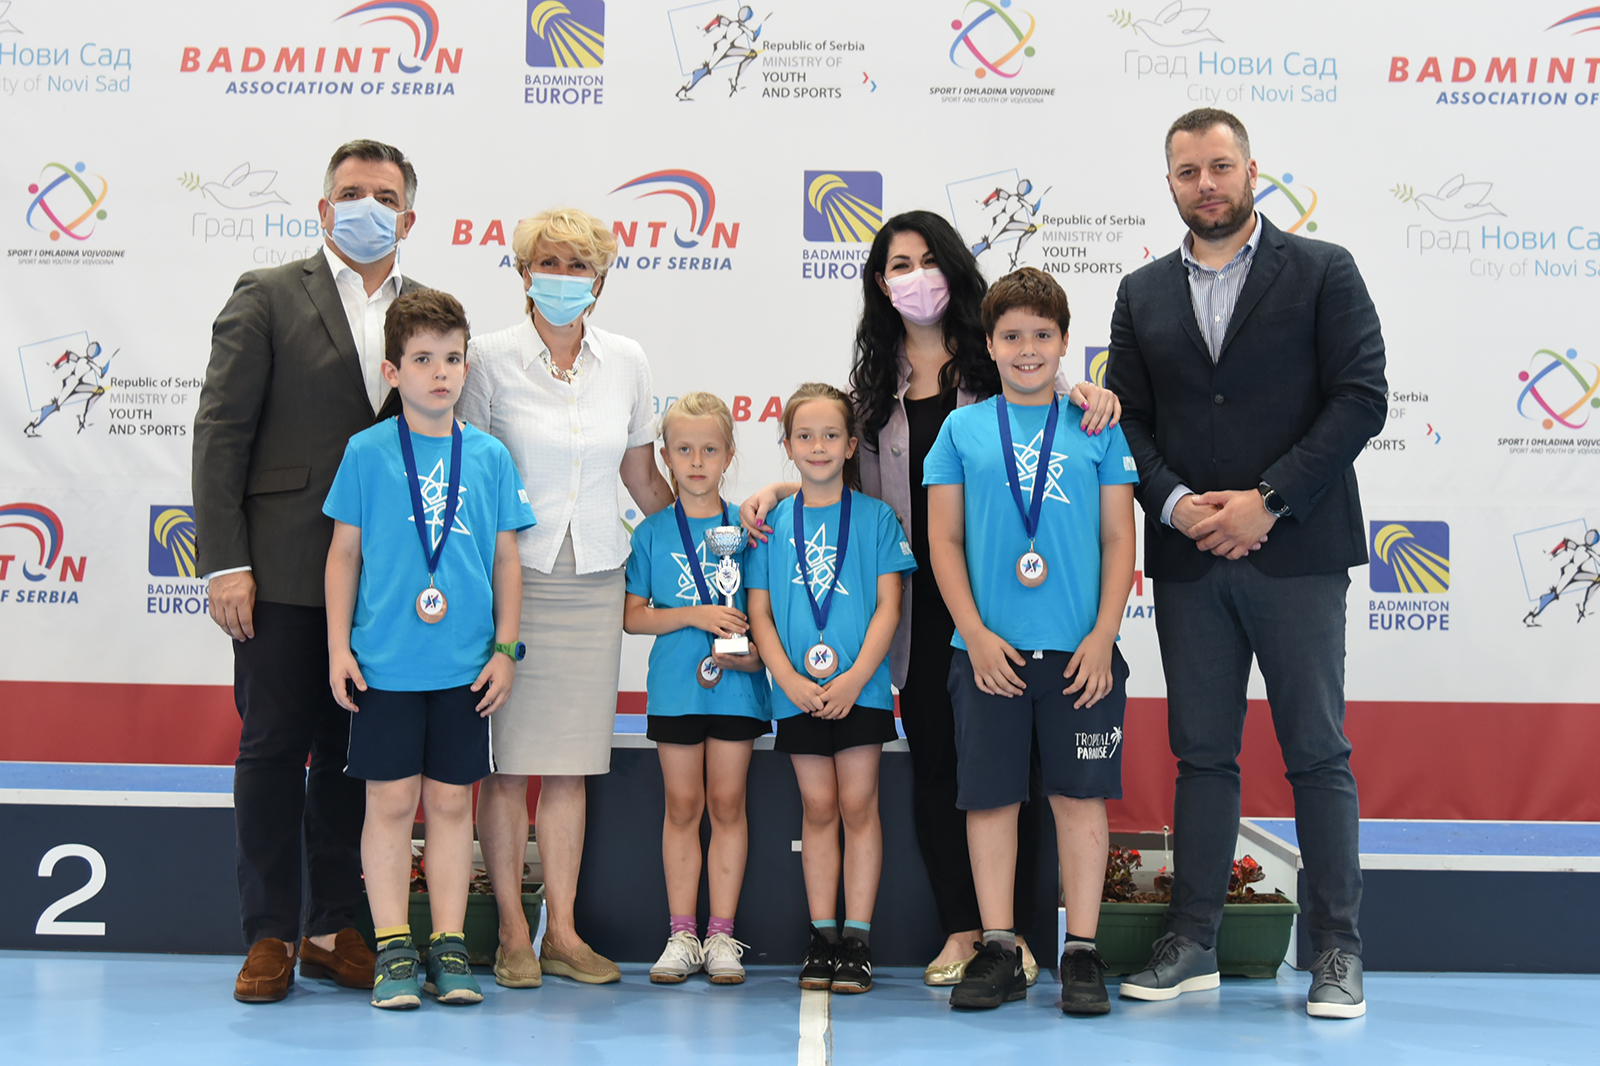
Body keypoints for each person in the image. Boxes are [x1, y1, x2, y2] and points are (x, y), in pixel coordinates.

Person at [740, 210, 1120, 985]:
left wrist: (1090, 390)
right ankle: (964, 929)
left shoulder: (1001, 367)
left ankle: (1023, 937)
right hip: (921, 608)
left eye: (928, 260)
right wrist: (782, 489)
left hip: (1008, 604)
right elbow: (839, 476)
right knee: (946, 768)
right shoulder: (873, 392)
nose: (917, 278)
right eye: (898, 265)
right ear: (881, 285)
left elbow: (1059, 422)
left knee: (1029, 775)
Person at [1106, 108, 1386, 1019]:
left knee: (1318, 753)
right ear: (1170, 183)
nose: (1207, 185)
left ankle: (1336, 951)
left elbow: (1361, 398)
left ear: (1252, 170)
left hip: (1297, 551)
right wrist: (1176, 503)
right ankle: (1192, 942)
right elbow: (1126, 420)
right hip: (1190, 560)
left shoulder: (1324, 270)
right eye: (1188, 172)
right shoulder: (1142, 292)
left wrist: (1269, 499)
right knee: (1201, 757)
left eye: (1220, 167)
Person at [193, 139, 422, 1003]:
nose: (368, 206)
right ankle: (267, 934)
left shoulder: (424, 313)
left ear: (409, 217)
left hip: (386, 578)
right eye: (352, 192)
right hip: (283, 566)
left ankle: (331, 927)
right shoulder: (267, 294)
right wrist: (225, 561)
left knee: (348, 755)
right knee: (272, 747)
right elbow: (220, 432)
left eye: (385, 196)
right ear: (324, 209)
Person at [458, 207, 675, 989]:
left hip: (597, 580)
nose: (561, 276)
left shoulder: (627, 360)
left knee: (572, 767)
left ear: (600, 278)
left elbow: (642, 478)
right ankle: (513, 933)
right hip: (511, 582)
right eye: (547, 262)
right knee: (507, 767)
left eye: (577, 264)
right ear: (523, 273)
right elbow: (471, 475)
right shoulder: (487, 358)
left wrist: (703, 539)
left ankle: (565, 933)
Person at [926, 267, 1139, 1015]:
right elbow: (944, 542)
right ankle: (998, 948)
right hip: (989, 655)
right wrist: (975, 634)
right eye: (1011, 335)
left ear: (1064, 342)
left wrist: (1104, 635)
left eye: (1042, 335)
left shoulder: (1095, 425)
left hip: (1081, 655)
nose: (1027, 349)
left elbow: (1119, 538)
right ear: (988, 344)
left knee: (1080, 800)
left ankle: (1081, 951)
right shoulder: (961, 430)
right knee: (990, 801)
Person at [323, 290, 536, 1008]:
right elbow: (343, 555)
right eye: (421, 359)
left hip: (465, 668)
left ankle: (447, 945)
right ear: (392, 371)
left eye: (451, 358)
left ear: (467, 366)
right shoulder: (366, 452)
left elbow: (506, 560)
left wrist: (505, 649)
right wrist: (338, 648)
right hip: (384, 665)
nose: (439, 372)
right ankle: (392, 947)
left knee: (450, 805)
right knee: (389, 804)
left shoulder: (491, 457)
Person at [745, 383, 918, 995]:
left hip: (860, 691)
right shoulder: (768, 526)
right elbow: (760, 613)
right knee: (817, 808)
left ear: (850, 446)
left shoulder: (877, 519)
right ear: (787, 444)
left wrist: (854, 679)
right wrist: (789, 679)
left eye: (830, 435)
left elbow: (889, 608)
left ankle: (857, 941)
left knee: (858, 805)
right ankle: (822, 938)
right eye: (804, 435)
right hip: (797, 692)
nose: (817, 446)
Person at [622, 392, 772, 986]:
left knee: (727, 805)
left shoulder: (750, 530)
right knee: (682, 807)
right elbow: (634, 616)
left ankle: (721, 936)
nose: (696, 461)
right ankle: (681, 935)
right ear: (665, 456)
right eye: (683, 450)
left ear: (729, 455)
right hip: (676, 692)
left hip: (737, 690)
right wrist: (695, 615)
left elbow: (764, 613)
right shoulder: (652, 533)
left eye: (710, 450)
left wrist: (756, 655)